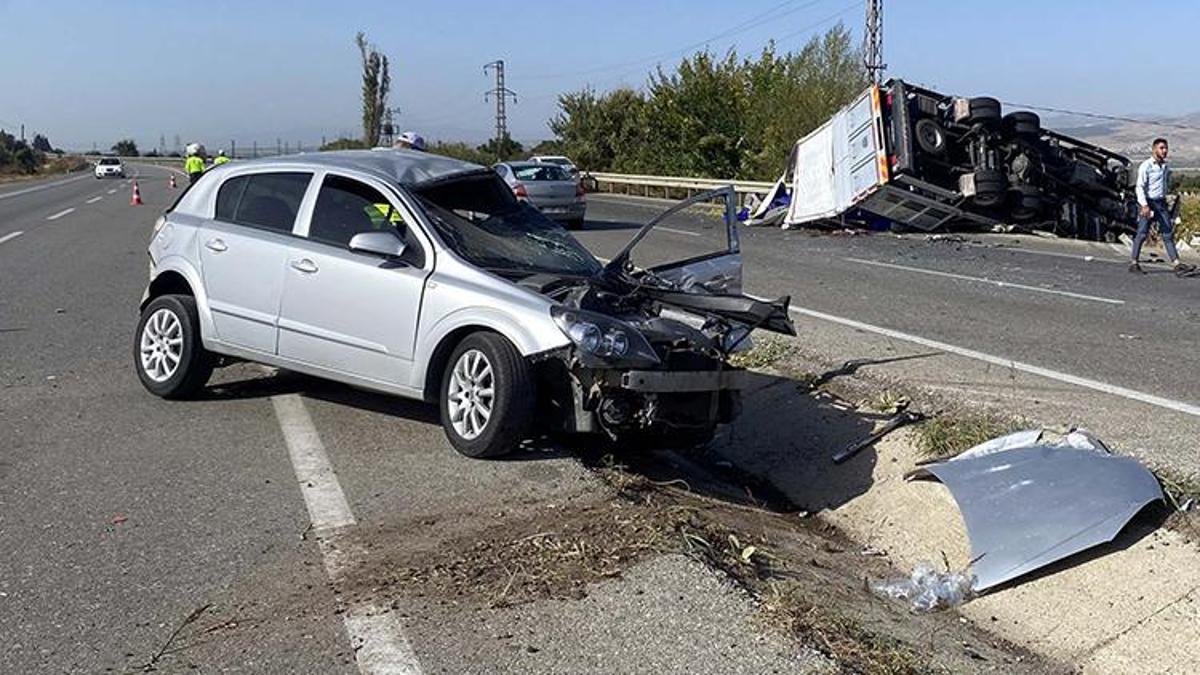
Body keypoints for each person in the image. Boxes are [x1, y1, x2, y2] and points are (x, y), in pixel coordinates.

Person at [1130, 138, 1195, 276]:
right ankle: (1134, 262)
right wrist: (1144, 205)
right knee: (1142, 233)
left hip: (1161, 203)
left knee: (1167, 233)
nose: (1164, 151)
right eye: (1161, 148)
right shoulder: (1146, 166)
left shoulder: (1165, 167)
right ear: (1154, 149)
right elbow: (1140, 187)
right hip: (1148, 202)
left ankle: (1177, 264)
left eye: (1166, 148)